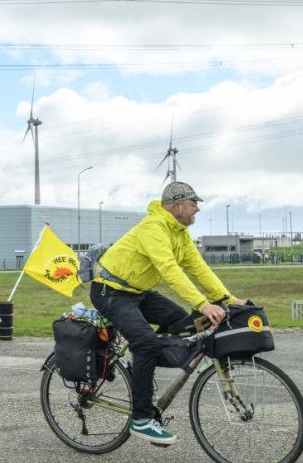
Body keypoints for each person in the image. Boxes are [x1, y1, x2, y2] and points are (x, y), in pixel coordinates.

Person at [90, 182, 247, 446]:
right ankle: (141, 420)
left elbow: (198, 267)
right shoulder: (153, 227)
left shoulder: (179, 232)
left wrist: (227, 299)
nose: (197, 209)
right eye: (193, 204)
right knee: (147, 344)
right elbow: (169, 270)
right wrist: (204, 304)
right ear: (177, 205)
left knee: (183, 322)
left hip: (137, 291)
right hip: (111, 292)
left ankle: (139, 367)